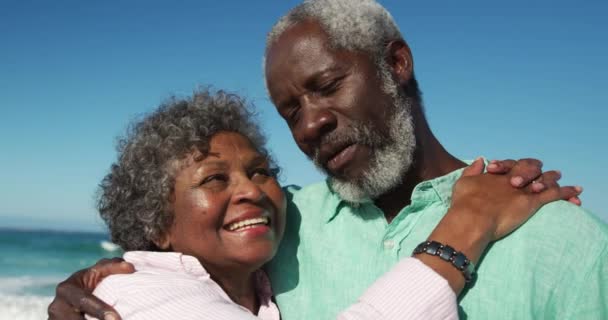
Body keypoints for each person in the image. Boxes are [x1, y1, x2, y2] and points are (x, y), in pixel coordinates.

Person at [48, 0, 607, 319]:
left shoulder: (559, 236)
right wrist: (88, 286)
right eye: (290, 110)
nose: (310, 123)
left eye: (328, 85)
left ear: (397, 63)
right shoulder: (274, 227)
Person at [74, 89, 577, 320]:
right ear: (157, 225)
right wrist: (469, 220)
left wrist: (494, 185)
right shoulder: (132, 296)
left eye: (260, 171)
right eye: (213, 179)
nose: (250, 190)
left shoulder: (260, 284)